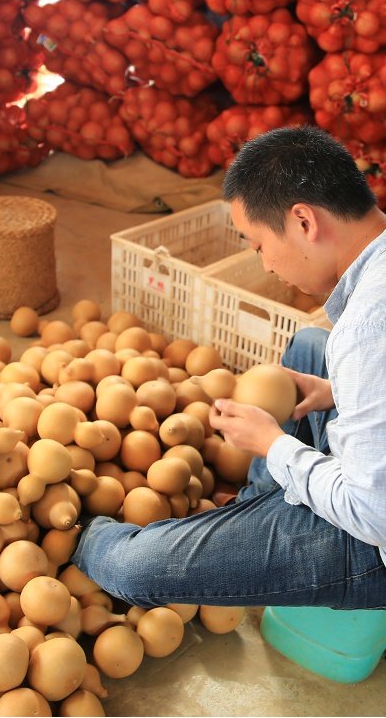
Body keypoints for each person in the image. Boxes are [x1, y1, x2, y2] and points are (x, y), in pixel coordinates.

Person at [72, 125, 386, 610]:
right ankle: (258, 504)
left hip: (372, 535)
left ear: (304, 221)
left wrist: (273, 445)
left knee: (132, 568)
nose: (265, 265)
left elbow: (371, 513)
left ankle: (81, 532)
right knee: (309, 346)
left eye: (258, 245)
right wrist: (335, 390)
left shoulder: (367, 327)